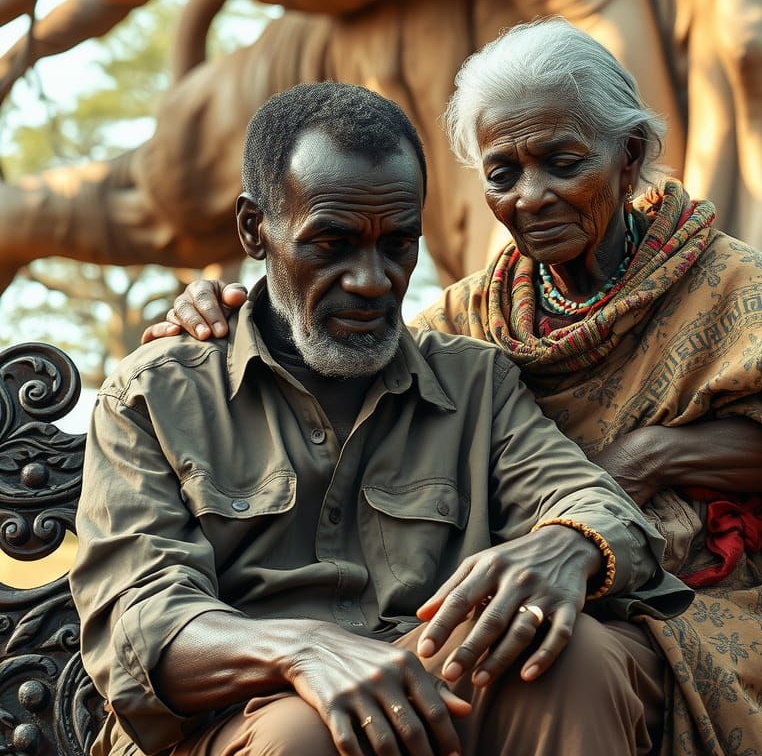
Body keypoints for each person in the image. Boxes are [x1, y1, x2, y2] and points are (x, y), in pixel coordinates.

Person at [152, 19, 762, 756]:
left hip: (711, 598)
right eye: (502, 173)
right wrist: (232, 307)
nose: (532, 196)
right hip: (532, 587)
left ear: (627, 157)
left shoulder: (734, 285)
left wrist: (654, 457)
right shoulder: (475, 315)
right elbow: (358, 351)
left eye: (562, 162)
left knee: (564, 661)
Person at [71, 81, 694, 756]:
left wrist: (570, 543)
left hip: (436, 689)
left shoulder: (474, 384)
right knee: (302, 738)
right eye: (331, 243)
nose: (371, 281)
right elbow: (139, 623)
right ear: (255, 229)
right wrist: (303, 651)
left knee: (576, 656)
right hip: (250, 718)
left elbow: (594, 505)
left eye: (397, 245)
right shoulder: (154, 396)